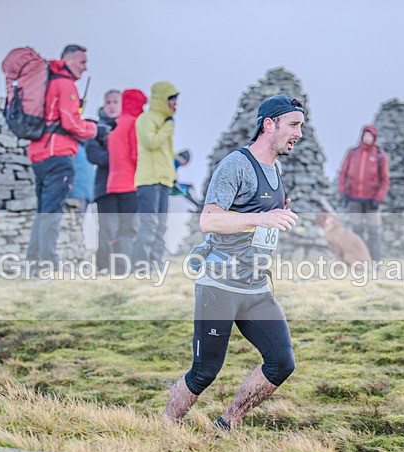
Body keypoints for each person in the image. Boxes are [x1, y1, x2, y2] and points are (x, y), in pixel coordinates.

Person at [165, 94, 304, 430]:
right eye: (294, 125)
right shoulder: (236, 165)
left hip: (255, 287)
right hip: (219, 286)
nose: (299, 133)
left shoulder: (276, 167)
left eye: (301, 126)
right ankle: (163, 428)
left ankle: (227, 423)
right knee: (204, 372)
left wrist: (274, 216)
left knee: (281, 362)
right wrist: (263, 219)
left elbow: (260, 215)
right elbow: (209, 220)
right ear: (269, 124)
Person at [25, 44, 97, 273]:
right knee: (52, 211)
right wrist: (95, 130)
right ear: (67, 59)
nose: (85, 68)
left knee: (44, 209)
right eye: (82, 62)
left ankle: (34, 262)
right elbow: (71, 123)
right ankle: (48, 264)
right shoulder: (65, 85)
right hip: (58, 155)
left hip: (39, 153)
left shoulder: (48, 83)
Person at [132, 81, 178, 269]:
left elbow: (165, 153)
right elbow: (151, 143)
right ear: (162, 100)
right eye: (172, 99)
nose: (175, 104)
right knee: (148, 224)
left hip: (164, 180)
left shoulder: (167, 122)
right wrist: (167, 128)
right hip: (148, 180)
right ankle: (140, 266)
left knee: (161, 226)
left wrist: (173, 174)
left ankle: (156, 265)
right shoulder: (145, 119)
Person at [105, 88, 147, 272]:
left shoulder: (114, 124)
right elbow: (135, 154)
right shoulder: (133, 123)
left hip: (112, 182)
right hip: (130, 183)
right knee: (128, 228)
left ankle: (114, 266)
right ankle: (125, 267)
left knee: (113, 229)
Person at [337, 124, 390, 261]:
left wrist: (378, 199)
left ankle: (376, 261)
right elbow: (343, 173)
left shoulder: (379, 155)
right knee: (356, 231)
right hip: (354, 199)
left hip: (372, 201)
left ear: (374, 137)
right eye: (365, 135)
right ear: (362, 136)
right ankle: (358, 260)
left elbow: (385, 180)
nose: (367, 138)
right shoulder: (352, 153)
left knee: (374, 232)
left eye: (370, 136)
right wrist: (343, 192)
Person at [85, 89, 120, 272]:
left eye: (116, 102)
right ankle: (103, 266)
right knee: (107, 228)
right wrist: (119, 158)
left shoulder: (130, 127)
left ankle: (123, 265)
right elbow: (93, 154)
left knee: (126, 227)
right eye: (109, 102)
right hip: (104, 187)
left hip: (128, 188)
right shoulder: (96, 128)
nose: (112, 106)